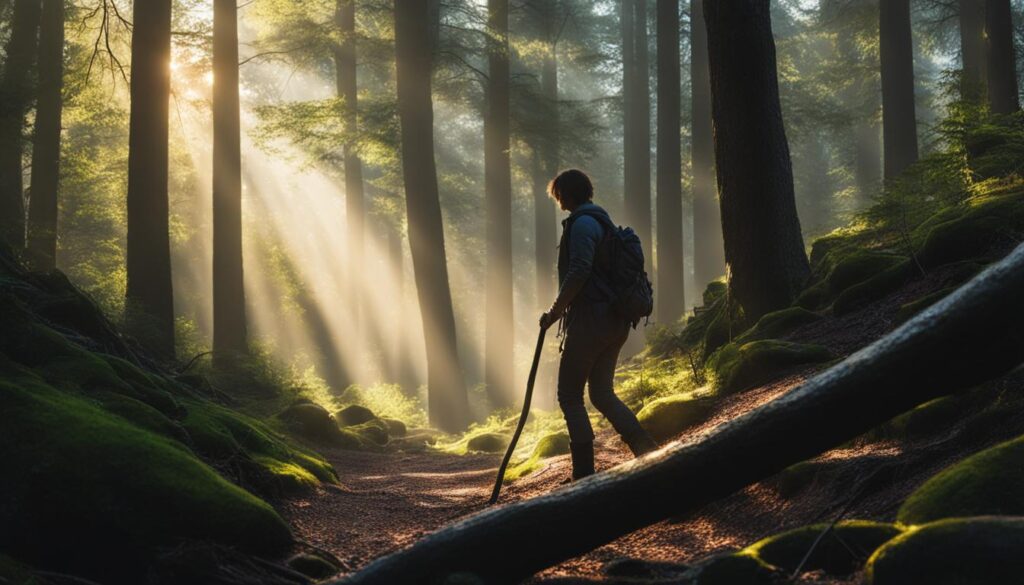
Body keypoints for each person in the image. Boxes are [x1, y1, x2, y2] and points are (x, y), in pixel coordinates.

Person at [540, 169, 658, 481]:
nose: (558, 199)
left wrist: (554, 312)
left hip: (592, 320)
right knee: (602, 393)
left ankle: (584, 475)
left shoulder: (582, 224)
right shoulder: (602, 221)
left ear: (566, 192)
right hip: (616, 320)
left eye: (559, 193)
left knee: (569, 395)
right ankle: (647, 451)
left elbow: (579, 270)